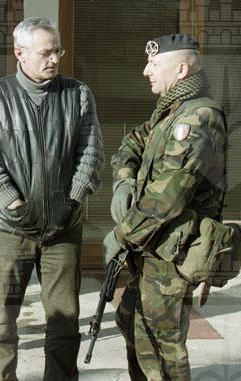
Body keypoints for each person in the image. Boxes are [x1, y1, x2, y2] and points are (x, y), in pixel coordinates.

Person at [0, 16, 104, 381]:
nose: (54, 59)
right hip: (9, 229)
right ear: (19, 53)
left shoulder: (77, 94)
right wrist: (9, 199)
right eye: (46, 52)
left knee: (64, 319)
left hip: (63, 228)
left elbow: (90, 153)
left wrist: (73, 199)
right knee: (2, 317)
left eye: (58, 51)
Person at [104, 34, 228, 380]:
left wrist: (121, 234)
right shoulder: (172, 110)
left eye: (154, 64)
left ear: (182, 70)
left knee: (160, 348)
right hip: (152, 246)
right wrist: (125, 181)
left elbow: (166, 199)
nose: (146, 71)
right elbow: (131, 143)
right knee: (131, 320)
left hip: (173, 254)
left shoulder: (198, 118)